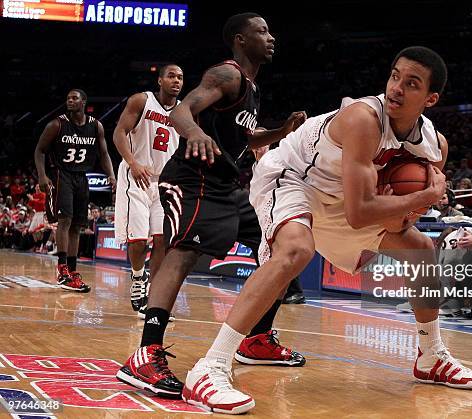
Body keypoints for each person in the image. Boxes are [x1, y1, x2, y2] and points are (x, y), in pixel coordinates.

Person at [177, 46, 472, 414]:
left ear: (431, 98)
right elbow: (359, 215)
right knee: (296, 250)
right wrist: (426, 194)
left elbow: (392, 221)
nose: (396, 88)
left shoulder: (434, 148)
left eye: (411, 83)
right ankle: (209, 367)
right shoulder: (363, 118)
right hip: (293, 178)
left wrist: (412, 203)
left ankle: (431, 356)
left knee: (420, 248)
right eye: (394, 75)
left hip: (342, 199)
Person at [116, 13, 308, 403]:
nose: (271, 37)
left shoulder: (251, 86)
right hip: (193, 177)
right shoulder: (227, 74)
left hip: (228, 183)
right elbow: (181, 111)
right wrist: (196, 132)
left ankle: (255, 339)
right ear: (240, 39)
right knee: (183, 254)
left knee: (283, 244)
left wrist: (281, 131)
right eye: (262, 31)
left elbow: (248, 135)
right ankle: (145, 353)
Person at [113, 64, 184, 316]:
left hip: (163, 182)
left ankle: (155, 297)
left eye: (180, 77)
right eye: (171, 76)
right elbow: (119, 133)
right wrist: (133, 162)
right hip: (137, 175)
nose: (176, 81)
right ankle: (137, 279)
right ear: (160, 80)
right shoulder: (141, 101)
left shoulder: (184, 112)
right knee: (139, 239)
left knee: (162, 240)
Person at [34, 89, 116, 292]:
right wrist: (42, 176)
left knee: (77, 225)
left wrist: (111, 175)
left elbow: (104, 153)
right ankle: (62, 269)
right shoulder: (57, 124)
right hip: (61, 175)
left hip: (82, 177)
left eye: (74, 98)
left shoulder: (96, 126)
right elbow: (40, 150)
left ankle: (72, 269)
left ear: (83, 102)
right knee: (65, 220)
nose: (69, 101)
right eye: (68, 98)